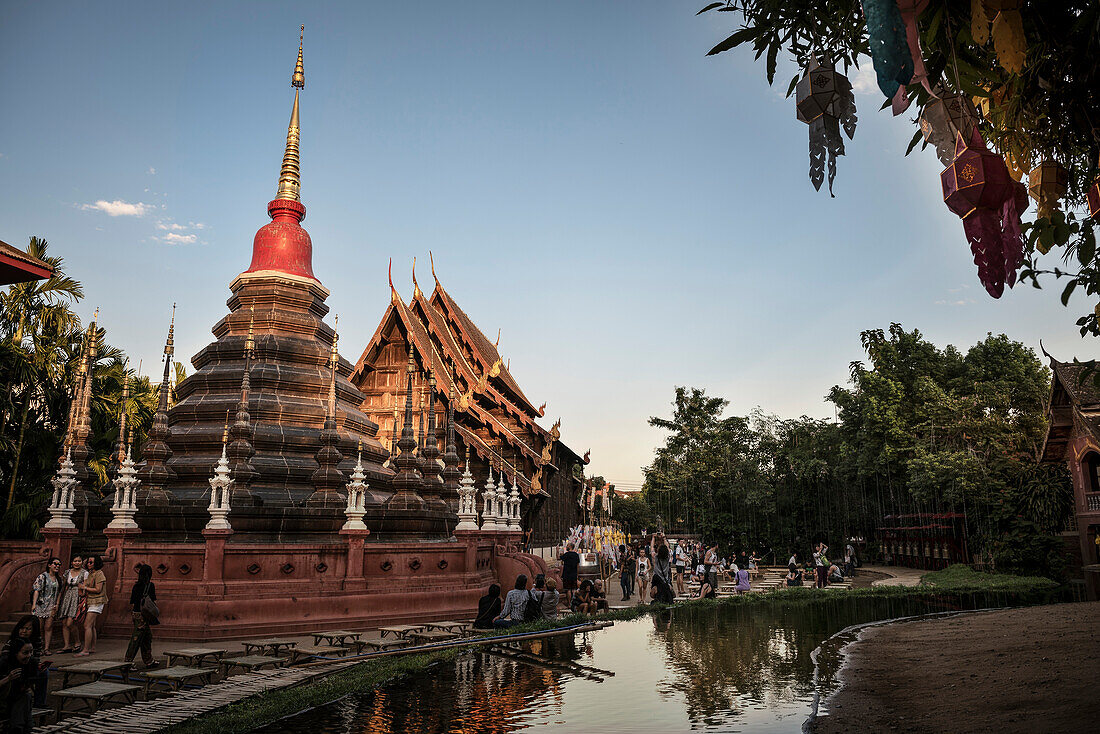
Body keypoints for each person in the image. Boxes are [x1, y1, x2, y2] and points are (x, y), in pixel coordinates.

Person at [2, 618, 47, 709]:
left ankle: (39, 702)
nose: (24, 631)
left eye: (28, 629)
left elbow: (36, 658)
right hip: (12, 669)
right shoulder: (12, 643)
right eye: (22, 628)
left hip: (28, 667)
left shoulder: (37, 641)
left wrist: (38, 666)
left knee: (44, 672)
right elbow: (5, 660)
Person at [124, 564, 160, 670]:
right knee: (137, 639)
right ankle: (127, 662)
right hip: (144, 616)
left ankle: (149, 660)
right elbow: (153, 600)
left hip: (136, 614)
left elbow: (132, 601)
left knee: (146, 638)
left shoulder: (136, 586)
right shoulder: (150, 585)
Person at [0, 639, 36, 734]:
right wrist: (8, 679)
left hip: (15, 702)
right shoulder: (3, 663)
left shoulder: (29, 663)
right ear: (15, 653)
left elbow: (25, 687)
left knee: (25, 697)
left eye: (31, 652)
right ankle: (21, 728)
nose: (29, 655)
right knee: (24, 699)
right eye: (25, 653)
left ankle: (22, 728)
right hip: (2, 703)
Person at [75, 554, 108, 657]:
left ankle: (85, 650)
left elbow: (98, 589)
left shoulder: (99, 574)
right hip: (91, 601)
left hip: (97, 602)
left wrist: (84, 587)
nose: (88, 564)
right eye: (88, 562)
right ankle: (92, 647)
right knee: (92, 626)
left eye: (91, 562)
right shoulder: (89, 573)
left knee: (87, 625)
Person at [31, 557, 61, 654]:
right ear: (49, 565)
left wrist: (57, 604)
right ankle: (38, 647)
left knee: (48, 626)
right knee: (39, 627)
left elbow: (59, 592)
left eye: (59, 564)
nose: (57, 566)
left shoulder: (58, 579)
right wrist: (34, 604)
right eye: (55, 564)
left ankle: (46, 648)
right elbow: (36, 590)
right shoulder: (42, 577)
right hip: (41, 604)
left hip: (51, 605)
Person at [57, 554, 86, 653]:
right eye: (75, 561)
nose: (77, 563)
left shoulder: (84, 573)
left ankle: (77, 642)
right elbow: (63, 586)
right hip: (67, 596)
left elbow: (85, 587)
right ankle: (66, 646)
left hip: (77, 596)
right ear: (72, 562)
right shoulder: (67, 572)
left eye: (79, 561)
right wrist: (59, 600)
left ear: (82, 562)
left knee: (70, 622)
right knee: (64, 622)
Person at [650, 533, 675, 604]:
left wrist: (653, 538)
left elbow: (651, 548)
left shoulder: (655, 557)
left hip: (657, 582)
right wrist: (664, 537)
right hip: (666, 581)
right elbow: (668, 548)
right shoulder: (667, 558)